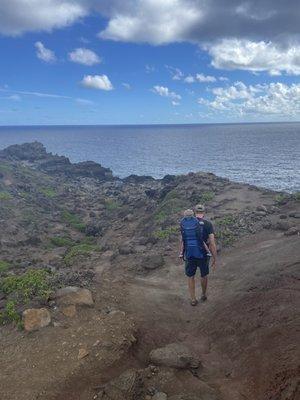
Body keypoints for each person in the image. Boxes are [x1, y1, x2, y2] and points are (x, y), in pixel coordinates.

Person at [179, 205, 217, 305]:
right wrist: (214, 258)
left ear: (195, 212)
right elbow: (212, 243)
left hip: (189, 253)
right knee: (203, 275)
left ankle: (193, 299)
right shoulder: (208, 224)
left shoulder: (186, 224)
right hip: (203, 254)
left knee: (190, 276)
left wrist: (182, 252)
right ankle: (203, 295)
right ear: (204, 212)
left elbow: (183, 240)